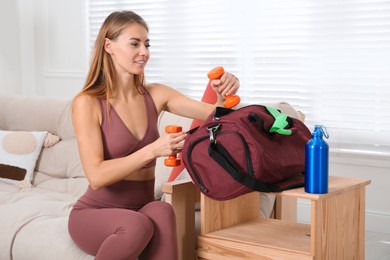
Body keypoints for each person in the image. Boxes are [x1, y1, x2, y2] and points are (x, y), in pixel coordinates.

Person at [68, 10, 240, 260]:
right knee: (137, 225)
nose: (144, 52)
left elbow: (216, 115)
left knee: (161, 210)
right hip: (95, 212)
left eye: (147, 44)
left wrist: (224, 93)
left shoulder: (156, 94)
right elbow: (96, 176)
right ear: (109, 46)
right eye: (134, 44)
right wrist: (153, 150)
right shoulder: (88, 103)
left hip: (142, 206)